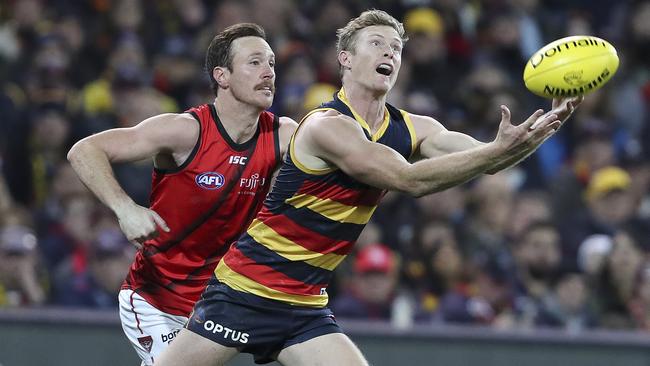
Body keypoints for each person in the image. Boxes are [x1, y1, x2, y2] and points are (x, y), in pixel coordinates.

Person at [157, 10, 581, 366]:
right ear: (345, 57)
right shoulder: (326, 127)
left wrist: (535, 134)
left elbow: (487, 161)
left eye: (396, 48)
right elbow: (408, 180)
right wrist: (498, 152)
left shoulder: (412, 127)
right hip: (245, 290)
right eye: (377, 44)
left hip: (304, 302)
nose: (390, 53)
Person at [67, 23, 297, 365]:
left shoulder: (283, 134)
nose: (268, 72)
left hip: (226, 303)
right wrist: (125, 208)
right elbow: (84, 151)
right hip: (157, 300)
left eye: (272, 63)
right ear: (222, 76)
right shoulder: (185, 131)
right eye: (255, 62)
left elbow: (345, 159)